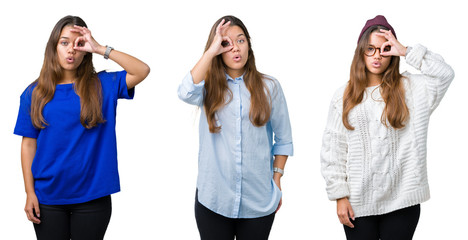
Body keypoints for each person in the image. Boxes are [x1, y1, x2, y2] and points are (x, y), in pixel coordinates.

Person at [14, 15, 150, 240]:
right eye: (64, 42)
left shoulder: (103, 85)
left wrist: (100, 48)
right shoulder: (34, 93)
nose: (71, 50)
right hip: (47, 198)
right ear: (54, 47)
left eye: (78, 44)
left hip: (92, 198)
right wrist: (29, 193)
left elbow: (142, 71)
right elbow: (28, 145)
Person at [320, 15, 454, 240]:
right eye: (370, 49)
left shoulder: (412, 89)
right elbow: (333, 149)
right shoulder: (344, 96)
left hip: (403, 201)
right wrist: (339, 196)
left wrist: (406, 50)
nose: (377, 56)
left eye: (384, 49)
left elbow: (444, 74)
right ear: (361, 51)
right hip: (358, 203)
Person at [178, 15, 293, 240]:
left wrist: (277, 179)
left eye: (240, 40)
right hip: (214, 200)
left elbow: (283, 139)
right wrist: (211, 52)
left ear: (249, 44)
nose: (235, 48)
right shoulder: (207, 87)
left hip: (258, 200)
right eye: (226, 43)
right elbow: (184, 91)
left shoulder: (270, 87)